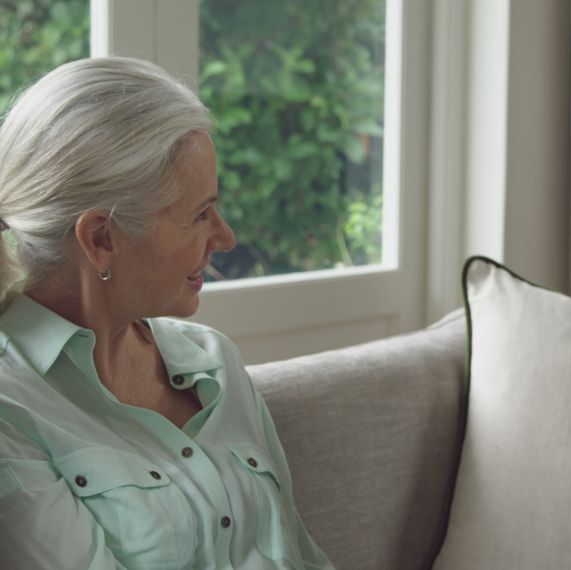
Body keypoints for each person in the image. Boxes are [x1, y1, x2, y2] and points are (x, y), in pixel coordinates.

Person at [0, 57, 333, 569]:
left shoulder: (215, 361)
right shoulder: (11, 409)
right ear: (101, 238)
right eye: (199, 215)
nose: (224, 237)